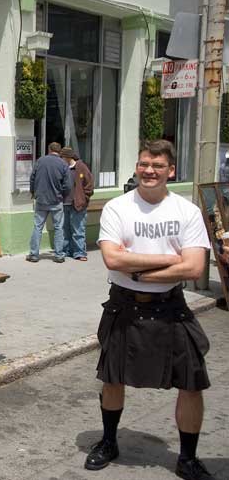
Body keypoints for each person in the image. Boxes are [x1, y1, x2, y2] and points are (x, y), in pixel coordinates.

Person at [85, 140, 215, 480]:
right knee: (111, 379)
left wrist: (138, 268)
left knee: (192, 383)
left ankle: (187, 458)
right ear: (137, 166)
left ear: (171, 170)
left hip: (171, 306)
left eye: (157, 166)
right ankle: (109, 441)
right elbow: (113, 259)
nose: (149, 170)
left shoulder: (186, 212)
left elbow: (195, 268)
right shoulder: (118, 208)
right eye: (144, 164)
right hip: (124, 305)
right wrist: (172, 258)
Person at [27, 141, 71, 263]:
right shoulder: (63, 164)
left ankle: (34, 254)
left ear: (49, 149)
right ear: (60, 151)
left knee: (37, 227)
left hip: (41, 199)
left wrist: (33, 192)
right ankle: (59, 255)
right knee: (58, 228)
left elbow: (32, 178)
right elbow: (68, 185)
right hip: (57, 200)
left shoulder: (40, 161)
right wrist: (62, 194)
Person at [60, 147, 94, 261]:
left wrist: (85, 198)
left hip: (78, 204)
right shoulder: (63, 168)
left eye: (62, 157)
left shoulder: (81, 167)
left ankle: (80, 252)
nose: (61, 159)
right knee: (66, 229)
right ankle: (67, 250)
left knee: (78, 230)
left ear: (68, 157)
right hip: (65, 203)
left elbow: (89, 184)